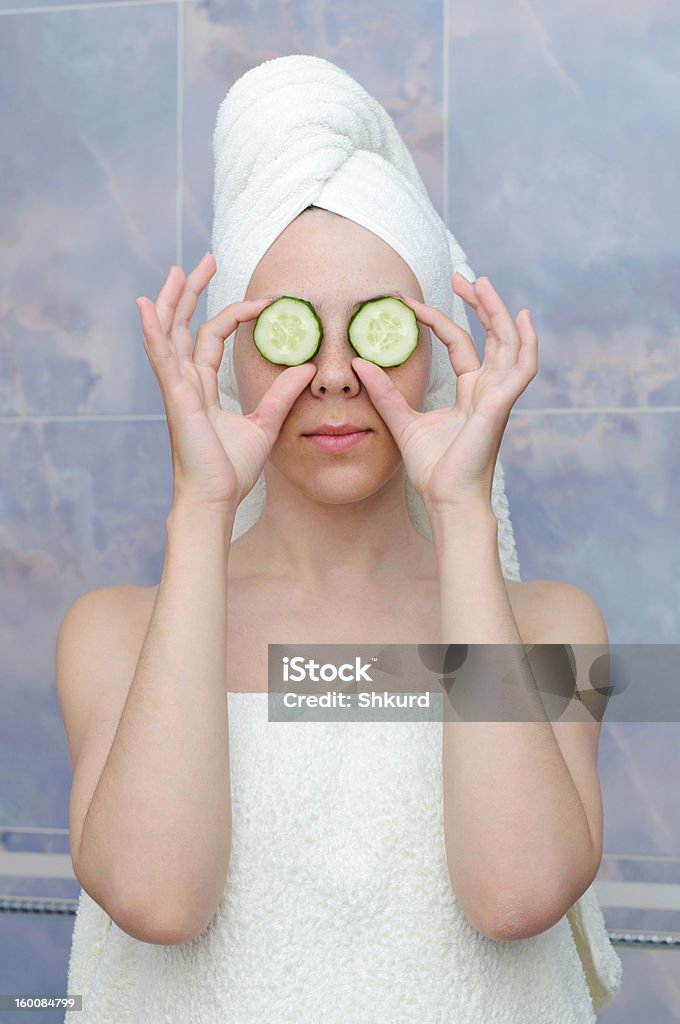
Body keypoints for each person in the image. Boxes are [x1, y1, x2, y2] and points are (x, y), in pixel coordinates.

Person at [57, 55, 622, 1024]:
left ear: (434, 345)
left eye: (376, 330)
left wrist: (458, 512)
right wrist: (199, 506)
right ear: (224, 358)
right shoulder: (110, 634)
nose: (330, 374)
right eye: (285, 330)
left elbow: (514, 895)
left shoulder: (557, 627)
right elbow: (157, 898)